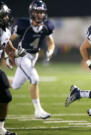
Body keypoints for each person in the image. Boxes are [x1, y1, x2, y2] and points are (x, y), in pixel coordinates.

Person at [10, 0, 55, 119]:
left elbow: (51, 42)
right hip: (22, 55)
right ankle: (38, 110)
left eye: (42, 12)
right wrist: (9, 53)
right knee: (34, 79)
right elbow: (9, 39)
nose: (40, 15)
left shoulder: (47, 26)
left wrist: (50, 51)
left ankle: (2, 80)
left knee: (15, 85)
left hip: (33, 57)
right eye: (37, 12)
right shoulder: (23, 24)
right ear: (32, 12)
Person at [0, 2, 25, 135]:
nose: (6, 18)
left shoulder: (5, 29)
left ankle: (0, 129)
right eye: (4, 16)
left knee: (5, 96)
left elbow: (6, 45)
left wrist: (15, 52)